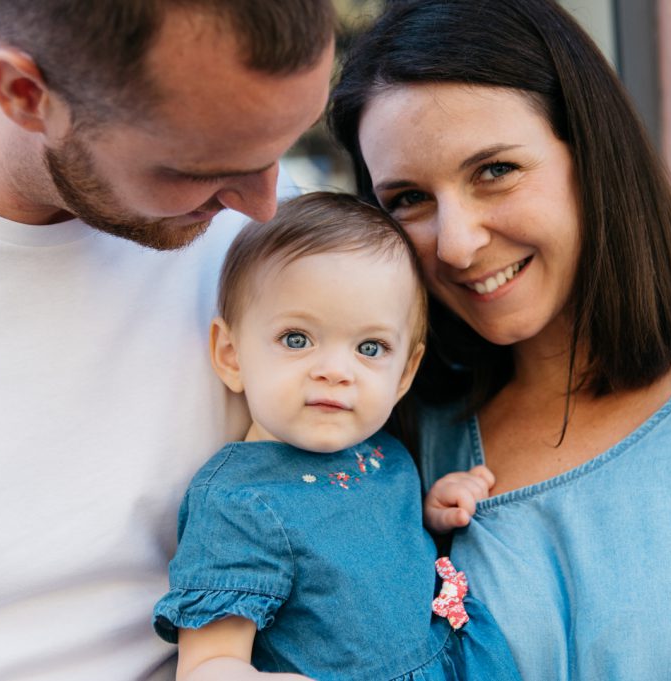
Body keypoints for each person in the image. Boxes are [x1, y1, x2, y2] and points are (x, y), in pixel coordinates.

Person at [329, 0, 671, 678]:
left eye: (494, 171)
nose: (456, 244)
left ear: (592, 153)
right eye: (407, 199)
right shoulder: (395, 452)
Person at [0, 1, 334, 678]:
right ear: (26, 94)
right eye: (196, 168)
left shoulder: (263, 240)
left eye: (285, 146)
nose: (265, 205)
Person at [151, 192, 521, 681]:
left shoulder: (381, 451)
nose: (334, 371)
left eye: (370, 347)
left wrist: (429, 512)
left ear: (405, 373)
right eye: (297, 339)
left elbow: (368, 541)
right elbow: (209, 664)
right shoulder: (238, 503)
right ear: (232, 355)